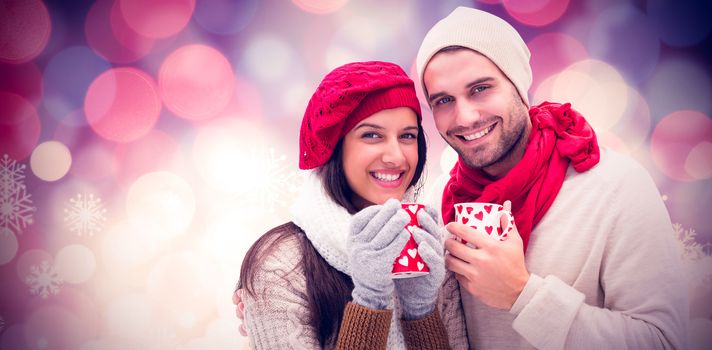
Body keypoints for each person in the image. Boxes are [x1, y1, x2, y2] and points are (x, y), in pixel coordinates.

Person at [414, 6, 689, 349]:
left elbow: (666, 342)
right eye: (443, 100)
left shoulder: (617, 187)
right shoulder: (439, 205)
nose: (466, 116)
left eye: (480, 89)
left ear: (518, 85)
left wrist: (522, 295)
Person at [236, 61, 468, 349]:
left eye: (407, 136)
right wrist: (370, 300)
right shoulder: (280, 267)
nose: (396, 157)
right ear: (335, 146)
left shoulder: (429, 247)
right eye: (372, 135)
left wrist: (420, 311)